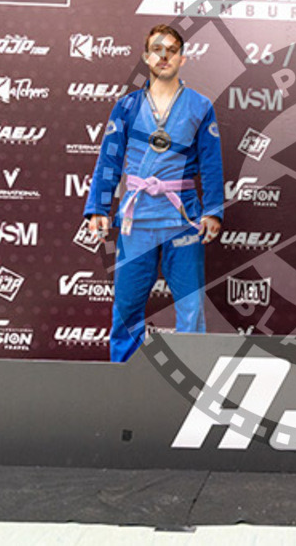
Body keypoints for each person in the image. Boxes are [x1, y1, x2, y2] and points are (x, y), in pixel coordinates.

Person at [84, 24, 223, 362]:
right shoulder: (127, 106)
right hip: (138, 219)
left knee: (190, 306)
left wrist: (213, 211)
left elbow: (211, 163)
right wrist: (98, 208)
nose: (164, 55)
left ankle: (194, 374)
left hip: (182, 217)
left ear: (183, 58)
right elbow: (109, 160)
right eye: (157, 49)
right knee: (127, 304)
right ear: (146, 57)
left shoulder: (200, 106)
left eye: (171, 49)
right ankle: (123, 376)